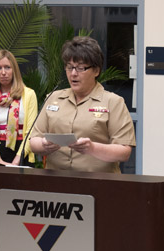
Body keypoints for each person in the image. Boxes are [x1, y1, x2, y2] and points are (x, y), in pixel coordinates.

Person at [30, 36, 135, 173]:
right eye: (69, 67)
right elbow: (33, 141)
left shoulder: (113, 102)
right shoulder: (53, 97)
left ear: (96, 71)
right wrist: (44, 145)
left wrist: (93, 149)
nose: (73, 74)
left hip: (98, 183)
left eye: (80, 68)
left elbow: (124, 151)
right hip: (56, 181)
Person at [0, 50, 37, 166]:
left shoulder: (29, 95)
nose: (3, 72)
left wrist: (16, 160)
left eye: (7, 67)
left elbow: (31, 132)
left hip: (21, 155)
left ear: (14, 70)